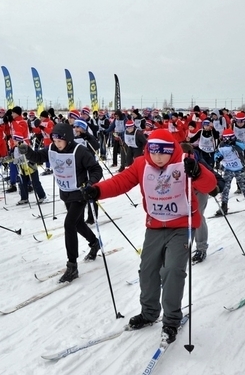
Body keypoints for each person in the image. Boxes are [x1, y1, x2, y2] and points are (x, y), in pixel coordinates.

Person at [81, 129, 216, 343]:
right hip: (154, 226)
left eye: (163, 152)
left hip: (181, 226)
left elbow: (210, 185)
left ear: (172, 150)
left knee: (172, 270)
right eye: (154, 151)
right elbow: (120, 182)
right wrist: (97, 190)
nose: (158, 157)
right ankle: (149, 312)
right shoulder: (142, 165)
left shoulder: (184, 163)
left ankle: (171, 320)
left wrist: (197, 172)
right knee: (147, 270)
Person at [18, 123, 103, 283]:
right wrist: (28, 151)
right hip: (65, 193)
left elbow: (96, 169)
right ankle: (94, 242)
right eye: (55, 141)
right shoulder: (51, 149)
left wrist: (90, 183)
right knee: (77, 224)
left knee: (69, 224)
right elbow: (38, 157)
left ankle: (72, 266)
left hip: (80, 193)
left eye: (60, 141)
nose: (57, 144)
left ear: (68, 139)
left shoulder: (80, 151)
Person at [214, 128, 245, 217]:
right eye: (225, 138)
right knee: (225, 188)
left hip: (239, 168)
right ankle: (224, 206)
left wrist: (234, 143)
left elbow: (242, 147)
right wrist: (218, 158)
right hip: (228, 168)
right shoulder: (221, 145)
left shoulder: (237, 142)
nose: (227, 140)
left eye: (230, 138)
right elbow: (217, 154)